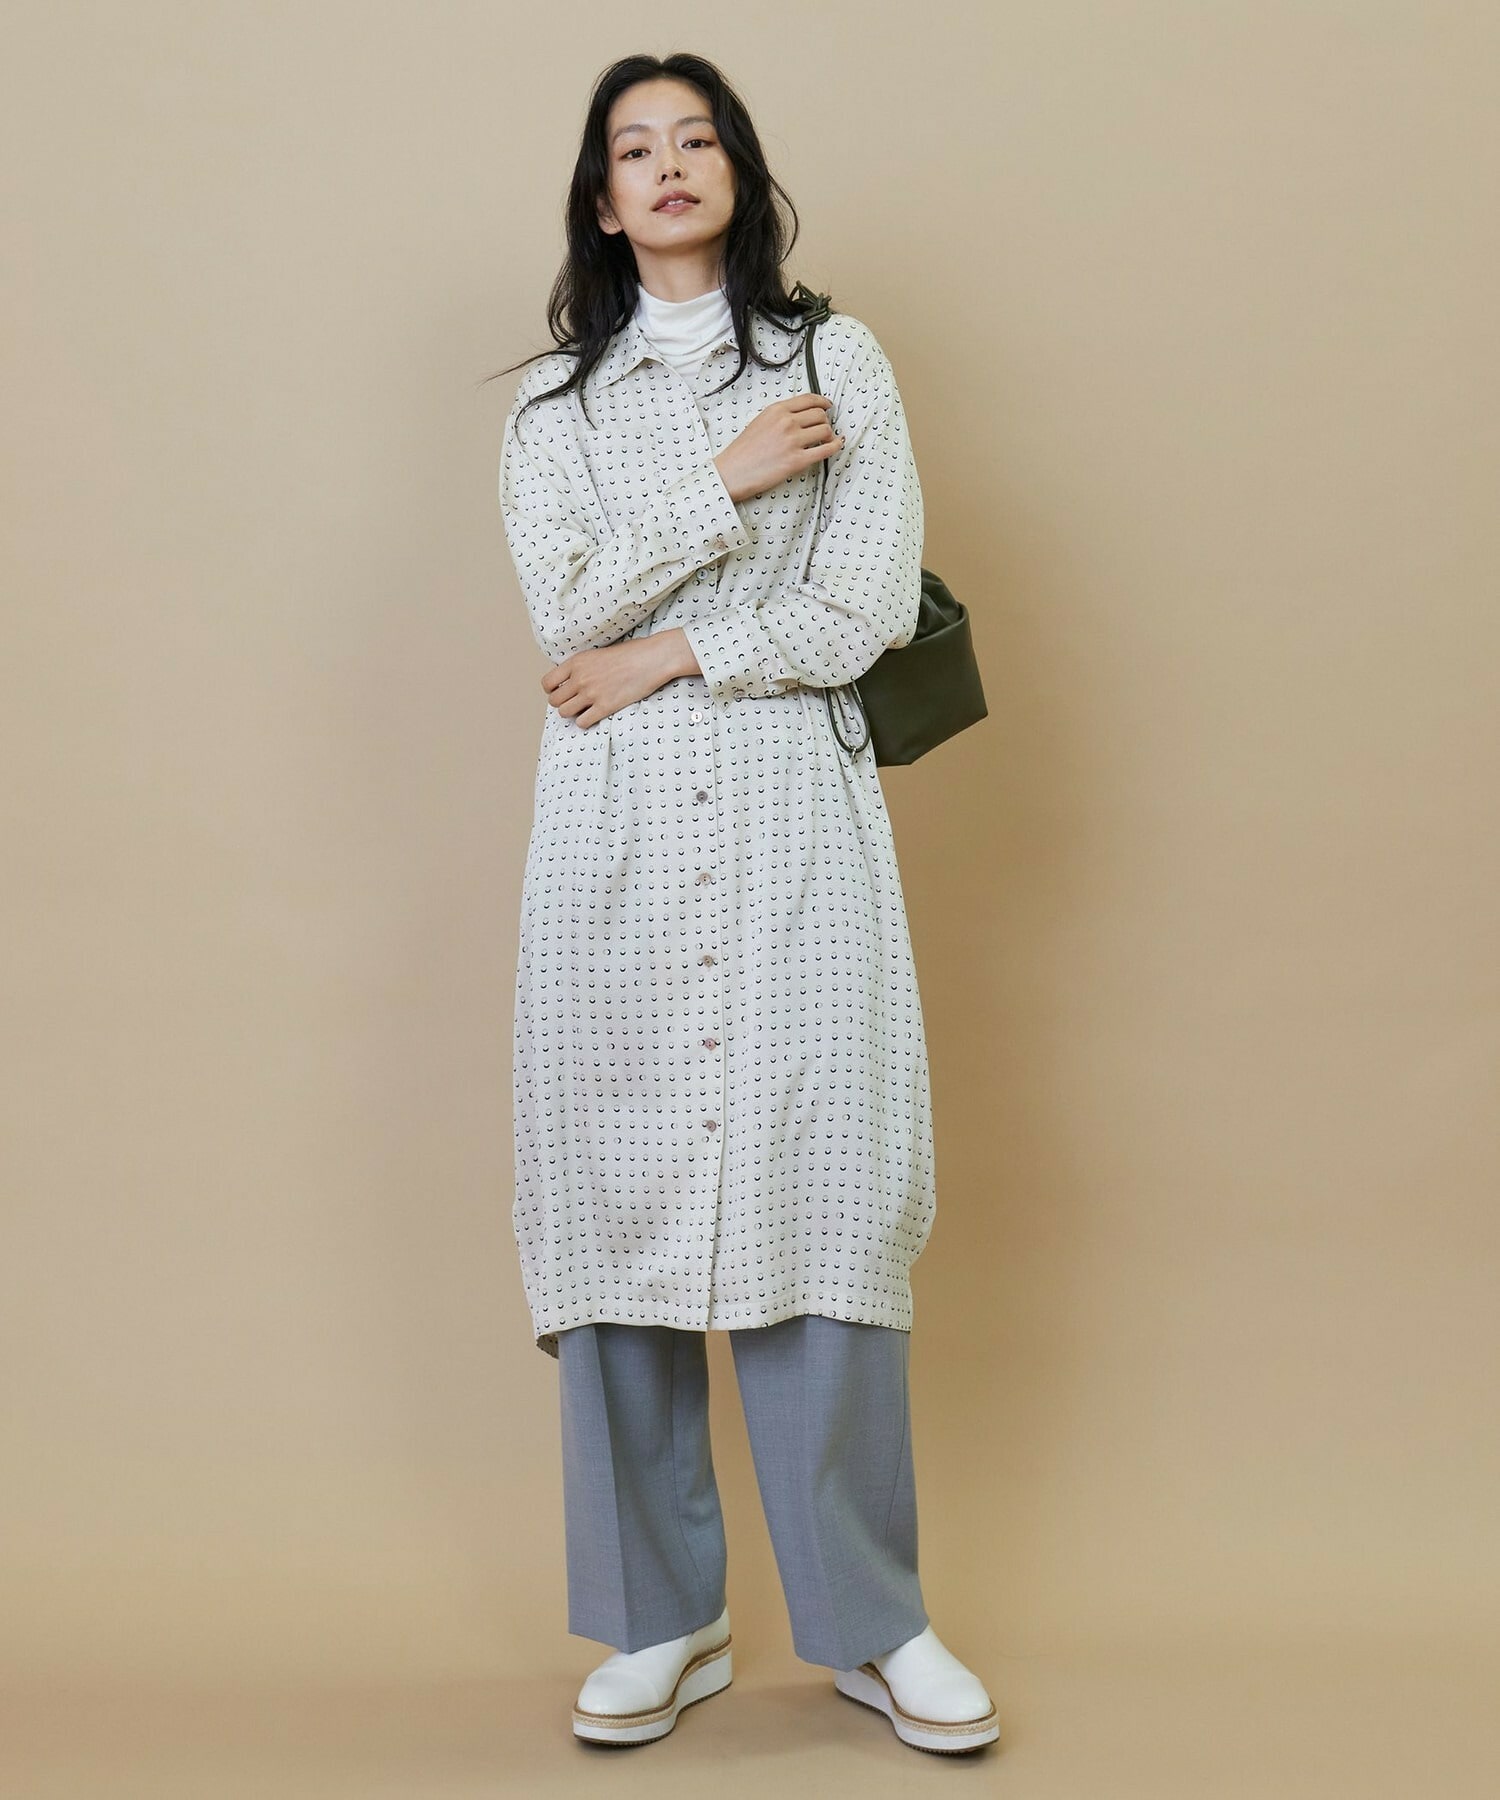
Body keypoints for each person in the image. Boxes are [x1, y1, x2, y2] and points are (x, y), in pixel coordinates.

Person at [493, 52, 997, 1755]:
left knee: (823, 1189)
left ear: (739, 167)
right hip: (610, 841)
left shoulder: (833, 362)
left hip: (797, 819)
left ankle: (874, 1622)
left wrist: (668, 654)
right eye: (634, 148)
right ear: (600, 196)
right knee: (618, 1199)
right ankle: (664, 1617)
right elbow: (560, 610)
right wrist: (723, 481)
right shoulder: (550, 412)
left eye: (696, 137)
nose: (668, 165)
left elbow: (863, 607)